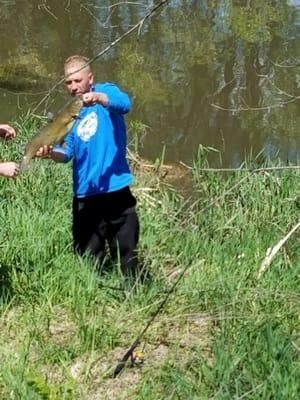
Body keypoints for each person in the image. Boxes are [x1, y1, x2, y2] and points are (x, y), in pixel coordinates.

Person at [37, 55, 139, 280]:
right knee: (88, 261)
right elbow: (67, 153)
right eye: (68, 82)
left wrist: (99, 97)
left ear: (90, 78)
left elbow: (125, 104)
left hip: (115, 188)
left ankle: (134, 295)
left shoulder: (107, 92)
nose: (73, 87)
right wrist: (50, 153)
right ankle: (91, 301)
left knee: (127, 254)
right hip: (85, 195)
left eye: (77, 80)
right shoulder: (71, 113)